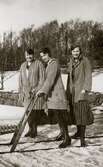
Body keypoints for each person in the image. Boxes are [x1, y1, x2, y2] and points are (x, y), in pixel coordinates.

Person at [36, 47, 71, 148]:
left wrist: (43, 90)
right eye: (42, 56)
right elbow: (45, 80)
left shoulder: (54, 64)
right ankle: (62, 133)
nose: (43, 58)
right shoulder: (48, 65)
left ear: (49, 54)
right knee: (58, 116)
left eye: (44, 55)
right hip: (53, 96)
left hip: (57, 95)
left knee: (61, 116)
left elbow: (50, 79)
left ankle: (67, 138)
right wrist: (40, 89)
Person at [66, 45, 94, 147]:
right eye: (74, 51)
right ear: (71, 52)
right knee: (76, 114)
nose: (75, 53)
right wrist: (68, 91)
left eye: (77, 51)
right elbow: (69, 78)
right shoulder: (71, 62)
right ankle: (78, 133)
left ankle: (82, 139)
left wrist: (85, 89)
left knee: (82, 115)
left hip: (81, 92)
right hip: (73, 93)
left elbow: (88, 75)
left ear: (80, 52)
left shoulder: (85, 61)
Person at [19, 48, 45, 138]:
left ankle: (34, 130)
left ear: (33, 55)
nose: (28, 57)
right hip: (26, 93)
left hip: (35, 93)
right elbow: (20, 80)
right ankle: (30, 129)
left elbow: (42, 79)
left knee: (34, 112)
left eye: (30, 55)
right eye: (26, 55)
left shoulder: (39, 64)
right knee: (27, 112)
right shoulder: (23, 65)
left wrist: (37, 89)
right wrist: (21, 92)